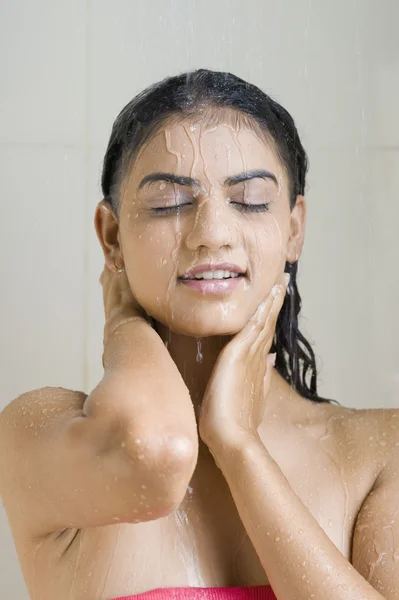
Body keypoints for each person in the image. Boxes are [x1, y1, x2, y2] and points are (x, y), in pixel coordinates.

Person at [0, 69, 398, 600]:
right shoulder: (40, 433)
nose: (212, 234)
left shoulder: (380, 451)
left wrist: (239, 445)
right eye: (169, 203)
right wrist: (122, 323)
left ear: (294, 229)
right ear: (112, 236)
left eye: (251, 200)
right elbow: (153, 454)